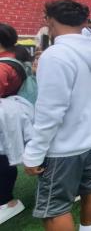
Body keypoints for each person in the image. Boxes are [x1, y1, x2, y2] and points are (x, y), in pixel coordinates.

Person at [22, 0, 91, 231]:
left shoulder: (55, 55)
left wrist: (34, 152)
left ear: (50, 20)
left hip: (64, 146)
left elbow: (50, 111)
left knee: (55, 209)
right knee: (90, 189)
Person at [0, 24, 26, 225]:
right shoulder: (13, 59)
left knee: (3, 157)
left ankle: (6, 201)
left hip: (7, 116)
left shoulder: (4, 65)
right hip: (14, 114)